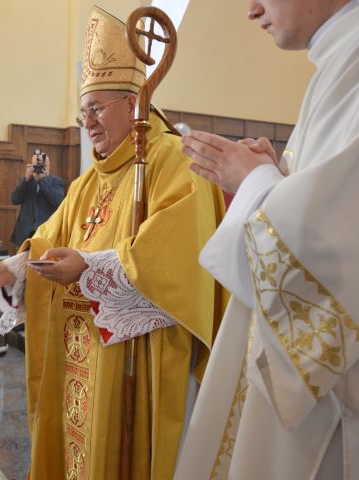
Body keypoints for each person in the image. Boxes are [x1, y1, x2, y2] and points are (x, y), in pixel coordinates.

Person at [0, 7, 226, 479]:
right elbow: (50, 238)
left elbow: (178, 260)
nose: (88, 124)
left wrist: (90, 267)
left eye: (97, 109)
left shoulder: (174, 162)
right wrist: (12, 269)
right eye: (83, 113)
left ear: (133, 104)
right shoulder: (88, 182)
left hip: (140, 362)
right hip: (79, 357)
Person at [173, 1, 359, 479]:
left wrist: (255, 182)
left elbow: (338, 261)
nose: (252, 10)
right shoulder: (339, 60)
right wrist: (274, 177)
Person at [10, 152, 65, 246]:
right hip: (25, 233)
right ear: (31, 166)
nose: (40, 169)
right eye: (37, 166)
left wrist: (42, 180)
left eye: (43, 166)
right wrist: (26, 180)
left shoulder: (56, 181)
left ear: (49, 166)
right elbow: (15, 199)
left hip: (46, 232)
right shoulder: (26, 181)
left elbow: (58, 201)